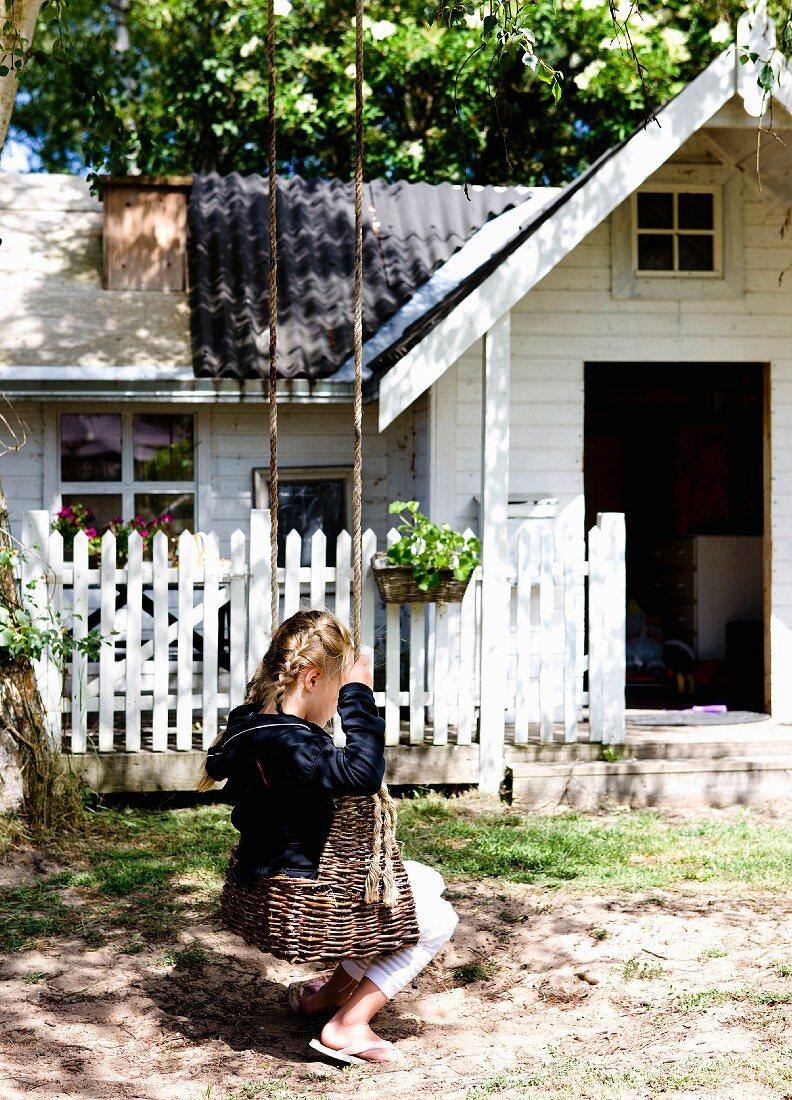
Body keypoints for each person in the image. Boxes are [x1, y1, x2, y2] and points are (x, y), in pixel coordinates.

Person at [197, 609, 458, 1065]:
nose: (338, 707)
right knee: (438, 919)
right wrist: (360, 693)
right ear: (313, 679)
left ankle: (328, 997)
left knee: (425, 880)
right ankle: (347, 1026)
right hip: (305, 887)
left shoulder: (250, 726)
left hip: (264, 872)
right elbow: (361, 772)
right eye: (337, 693)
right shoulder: (296, 745)